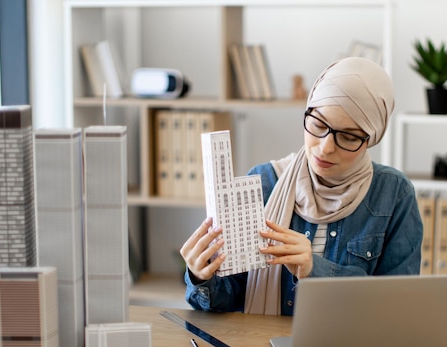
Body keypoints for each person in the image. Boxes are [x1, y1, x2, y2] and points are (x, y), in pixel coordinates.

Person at [180, 57, 423, 316]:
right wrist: (200, 276)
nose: (325, 147)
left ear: (370, 139)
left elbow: (398, 305)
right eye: (318, 124)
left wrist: (314, 269)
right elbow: (229, 297)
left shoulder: (394, 194)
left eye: (349, 137)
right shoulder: (264, 182)